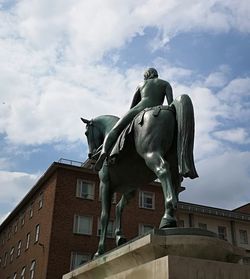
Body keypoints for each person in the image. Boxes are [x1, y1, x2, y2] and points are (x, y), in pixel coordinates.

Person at [95, 67, 173, 171]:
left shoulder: (141, 85)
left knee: (116, 129)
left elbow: (133, 105)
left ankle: (104, 151)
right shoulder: (165, 84)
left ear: (146, 75)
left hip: (139, 108)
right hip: (157, 108)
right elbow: (170, 103)